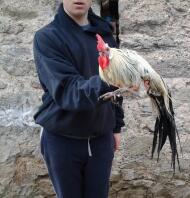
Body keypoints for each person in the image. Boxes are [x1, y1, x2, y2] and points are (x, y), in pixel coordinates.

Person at [33, 0, 125, 197]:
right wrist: (113, 78)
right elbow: (69, 91)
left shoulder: (105, 35)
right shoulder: (47, 38)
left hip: (101, 138)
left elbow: (116, 90)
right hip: (62, 139)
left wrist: (116, 126)